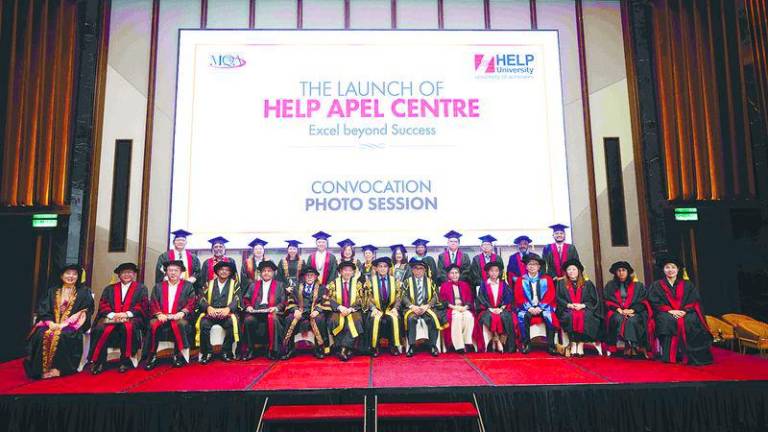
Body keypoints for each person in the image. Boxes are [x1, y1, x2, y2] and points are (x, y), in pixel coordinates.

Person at [25, 264, 94, 379]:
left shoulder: (84, 292)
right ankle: (39, 369)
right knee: (41, 333)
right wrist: (50, 323)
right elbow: (44, 309)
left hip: (72, 325)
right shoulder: (52, 291)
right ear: (61, 276)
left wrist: (65, 324)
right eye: (68, 273)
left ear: (78, 277)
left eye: (74, 274)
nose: (71, 276)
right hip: (52, 323)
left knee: (64, 335)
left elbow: (85, 311)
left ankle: (60, 369)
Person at [649, 256, 713, 365]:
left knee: (691, 320)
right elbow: (654, 301)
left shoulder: (687, 284)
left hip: (685, 312)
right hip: (666, 313)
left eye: (673, 267)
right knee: (666, 320)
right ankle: (671, 355)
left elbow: (694, 300)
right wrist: (670, 310)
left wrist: (684, 311)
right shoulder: (657, 285)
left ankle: (690, 355)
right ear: (663, 270)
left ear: (678, 270)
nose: (670, 270)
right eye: (667, 267)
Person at [89, 262, 149, 374]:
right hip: (111, 316)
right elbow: (103, 304)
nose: (127, 275)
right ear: (119, 275)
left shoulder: (141, 288)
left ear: (134, 274)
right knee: (100, 328)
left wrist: (127, 314)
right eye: (123, 273)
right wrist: (112, 315)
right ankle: (99, 361)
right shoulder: (110, 288)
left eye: (130, 272)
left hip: (132, 317)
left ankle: (125, 360)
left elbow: (142, 305)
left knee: (128, 327)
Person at [145, 260, 197, 369]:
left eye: (176, 270)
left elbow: (191, 303)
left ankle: (178, 356)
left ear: (181, 272)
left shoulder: (188, 286)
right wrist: (159, 314)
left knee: (180, 324)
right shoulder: (158, 286)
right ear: (166, 272)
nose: (173, 273)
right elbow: (153, 302)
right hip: (162, 315)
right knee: (152, 324)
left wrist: (182, 312)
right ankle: (152, 355)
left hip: (179, 316)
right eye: (170, 270)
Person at [604, 261, 655, 358]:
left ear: (628, 272)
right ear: (615, 273)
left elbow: (644, 301)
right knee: (617, 319)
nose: (621, 273)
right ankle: (628, 346)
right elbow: (607, 300)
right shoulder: (610, 285)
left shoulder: (638, 286)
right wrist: (618, 309)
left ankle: (632, 346)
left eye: (623, 270)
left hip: (634, 311)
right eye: (618, 271)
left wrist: (632, 310)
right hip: (617, 311)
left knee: (633, 320)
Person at [196, 261, 241, 364]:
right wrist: (208, 308)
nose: (224, 272)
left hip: (227, 313)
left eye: (227, 270)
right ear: (217, 271)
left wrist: (228, 309)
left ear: (230, 272)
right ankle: (207, 353)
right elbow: (201, 298)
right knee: (203, 324)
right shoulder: (209, 283)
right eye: (221, 269)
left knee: (232, 324)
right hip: (211, 312)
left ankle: (226, 351)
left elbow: (237, 299)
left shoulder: (234, 284)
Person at [281, 266, 330, 359]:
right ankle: (289, 348)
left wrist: (317, 310)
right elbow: (291, 300)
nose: (310, 277)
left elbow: (325, 301)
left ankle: (319, 347)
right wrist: (295, 309)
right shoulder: (296, 287)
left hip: (313, 312)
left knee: (319, 319)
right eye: (307, 275)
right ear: (304, 277)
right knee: (289, 319)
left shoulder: (322, 288)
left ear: (316, 277)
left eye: (312, 275)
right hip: (301, 312)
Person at [513, 254, 559, 355]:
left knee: (549, 316)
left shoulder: (547, 279)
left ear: (539, 267)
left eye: (535, 264)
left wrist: (540, 307)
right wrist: (529, 308)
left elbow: (550, 294)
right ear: (526, 266)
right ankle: (527, 344)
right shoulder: (521, 280)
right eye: (530, 264)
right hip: (527, 308)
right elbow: (518, 296)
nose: (532, 266)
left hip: (543, 307)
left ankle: (551, 345)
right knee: (522, 316)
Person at [555, 259, 601, 357]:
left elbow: (593, 300)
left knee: (586, 316)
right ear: (566, 272)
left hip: (584, 308)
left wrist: (583, 305)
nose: (571, 271)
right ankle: (573, 343)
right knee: (569, 316)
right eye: (569, 269)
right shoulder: (561, 283)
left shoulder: (587, 283)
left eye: (574, 269)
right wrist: (569, 305)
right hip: (567, 308)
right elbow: (558, 298)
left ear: (579, 271)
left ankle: (580, 344)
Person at [241, 260, 286, 360]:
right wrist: (248, 306)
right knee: (248, 320)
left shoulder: (279, 285)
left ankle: (273, 350)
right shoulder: (254, 285)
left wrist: (276, 308)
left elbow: (283, 302)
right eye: (264, 271)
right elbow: (246, 299)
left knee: (273, 318)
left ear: (273, 273)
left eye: (269, 271)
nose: (266, 273)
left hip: (272, 311)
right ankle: (250, 350)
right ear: (260, 273)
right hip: (257, 311)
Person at [401, 259, 446, 357]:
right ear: (412, 270)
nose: (418, 271)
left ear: (425, 270)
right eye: (416, 269)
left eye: (421, 268)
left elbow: (435, 296)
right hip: (412, 308)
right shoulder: (407, 282)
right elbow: (403, 296)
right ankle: (412, 346)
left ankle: (433, 345)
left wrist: (428, 305)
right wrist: (412, 306)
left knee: (432, 319)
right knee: (411, 319)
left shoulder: (430, 282)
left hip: (427, 308)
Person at [327, 260, 366, 361]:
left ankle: (343, 349)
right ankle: (349, 349)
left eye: (350, 270)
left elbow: (360, 299)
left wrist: (350, 309)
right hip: (338, 311)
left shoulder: (357, 283)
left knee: (357, 321)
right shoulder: (333, 283)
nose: (347, 272)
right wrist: (340, 307)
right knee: (333, 321)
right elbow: (330, 298)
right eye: (345, 270)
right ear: (340, 271)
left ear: (353, 272)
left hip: (353, 310)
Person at [365, 257, 403, 357]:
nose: (382, 269)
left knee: (396, 318)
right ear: (376, 269)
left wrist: (395, 308)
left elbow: (399, 297)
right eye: (380, 266)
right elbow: (367, 297)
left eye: (385, 266)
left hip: (390, 309)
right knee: (373, 319)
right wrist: (373, 308)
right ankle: (375, 346)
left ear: (388, 268)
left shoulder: (395, 281)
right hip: (376, 309)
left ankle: (393, 345)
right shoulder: (370, 282)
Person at [476, 262, 516, 353]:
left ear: (499, 272)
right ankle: (497, 340)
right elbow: (481, 299)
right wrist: (490, 308)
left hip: (501, 309)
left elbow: (508, 298)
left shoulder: (504, 284)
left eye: (496, 271)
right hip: (487, 309)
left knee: (505, 317)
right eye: (491, 271)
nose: (494, 273)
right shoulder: (484, 284)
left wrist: (501, 308)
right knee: (491, 317)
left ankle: (501, 341)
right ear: (488, 272)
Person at [439, 264, 476, 353]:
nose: (454, 275)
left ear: (459, 274)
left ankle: (467, 342)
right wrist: (454, 307)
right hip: (451, 308)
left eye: (456, 273)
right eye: (452, 273)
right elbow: (443, 301)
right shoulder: (445, 285)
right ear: (448, 275)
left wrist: (465, 307)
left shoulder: (465, 285)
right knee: (457, 317)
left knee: (469, 316)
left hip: (463, 308)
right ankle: (458, 346)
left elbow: (470, 299)